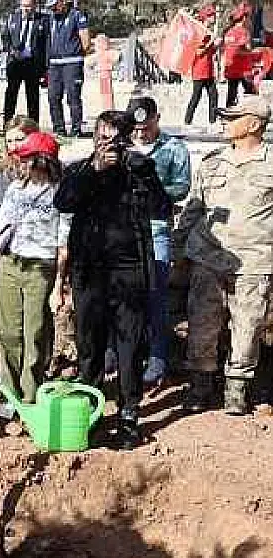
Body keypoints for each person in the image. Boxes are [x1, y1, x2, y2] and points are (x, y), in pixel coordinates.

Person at [55, 110, 167, 449]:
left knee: (129, 345)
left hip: (129, 270)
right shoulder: (80, 170)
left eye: (116, 139)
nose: (110, 145)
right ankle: (90, 410)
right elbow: (63, 202)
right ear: (94, 139)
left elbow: (161, 207)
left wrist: (144, 173)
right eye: (104, 138)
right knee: (89, 344)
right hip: (90, 271)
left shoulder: (138, 170)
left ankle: (129, 414)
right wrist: (96, 168)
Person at [176, 96, 273, 416]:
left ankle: (237, 389)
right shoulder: (212, 162)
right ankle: (201, 386)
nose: (225, 122)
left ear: (254, 124)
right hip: (207, 258)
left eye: (234, 117)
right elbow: (193, 209)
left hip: (254, 261)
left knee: (248, 327)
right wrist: (179, 250)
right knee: (202, 325)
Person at [0, 131, 68, 417]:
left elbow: (63, 244)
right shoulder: (16, 190)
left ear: (43, 161)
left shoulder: (60, 194)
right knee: (7, 331)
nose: (22, 164)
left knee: (35, 332)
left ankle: (31, 395)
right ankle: (8, 393)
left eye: (27, 159)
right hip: (10, 264)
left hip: (40, 268)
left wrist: (58, 286)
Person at [128, 96, 191, 386]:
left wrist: (151, 188)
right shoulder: (121, 145)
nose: (140, 133)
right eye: (136, 127)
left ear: (157, 118)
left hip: (155, 227)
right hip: (122, 229)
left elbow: (181, 187)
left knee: (156, 293)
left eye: (146, 126)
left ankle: (157, 357)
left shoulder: (173, 148)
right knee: (123, 295)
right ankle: (121, 353)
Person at [0, 116, 40, 235]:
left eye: (19, 139)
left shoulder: (47, 170)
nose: (14, 146)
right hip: (9, 237)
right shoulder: (1, 171)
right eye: (9, 141)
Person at [45, 0, 91, 137]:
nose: (53, 9)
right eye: (51, 7)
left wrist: (75, 51)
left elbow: (86, 42)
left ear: (63, 2)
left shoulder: (77, 16)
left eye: (55, 6)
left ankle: (76, 130)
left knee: (73, 97)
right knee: (53, 97)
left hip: (72, 62)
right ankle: (59, 130)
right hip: (54, 63)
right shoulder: (51, 18)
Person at [2, 0, 48, 126]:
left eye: (28, 6)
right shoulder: (12, 18)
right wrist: (11, 51)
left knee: (33, 95)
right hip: (15, 62)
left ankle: (33, 125)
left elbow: (46, 44)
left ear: (34, 5)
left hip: (32, 63)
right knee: (11, 94)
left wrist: (45, 67)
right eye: (23, 6)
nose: (26, 9)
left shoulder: (43, 20)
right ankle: (7, 124)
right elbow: (5, 38)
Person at [185, 5, 220, 127]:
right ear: (206, 17)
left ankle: (212, 122)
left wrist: (216, 45)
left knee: (214, 96)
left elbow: (210, 51)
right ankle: (187, 122)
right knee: (196, 97)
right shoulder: (198, 32)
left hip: (208, 70)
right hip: (199, 71)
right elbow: (199, 52)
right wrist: (212, 42)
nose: (214, 18)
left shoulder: (208, 31)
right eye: (211, 15)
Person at [223, 4, 258, 108]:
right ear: (243, 18)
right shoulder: (243, 32)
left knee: (231, 93)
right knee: (251, 92)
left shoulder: (228, 32)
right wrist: (254, 53)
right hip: (243, 69)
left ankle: (228, 114)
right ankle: (252, 112)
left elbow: (228, 50)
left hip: (230, 67)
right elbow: (244, 49)